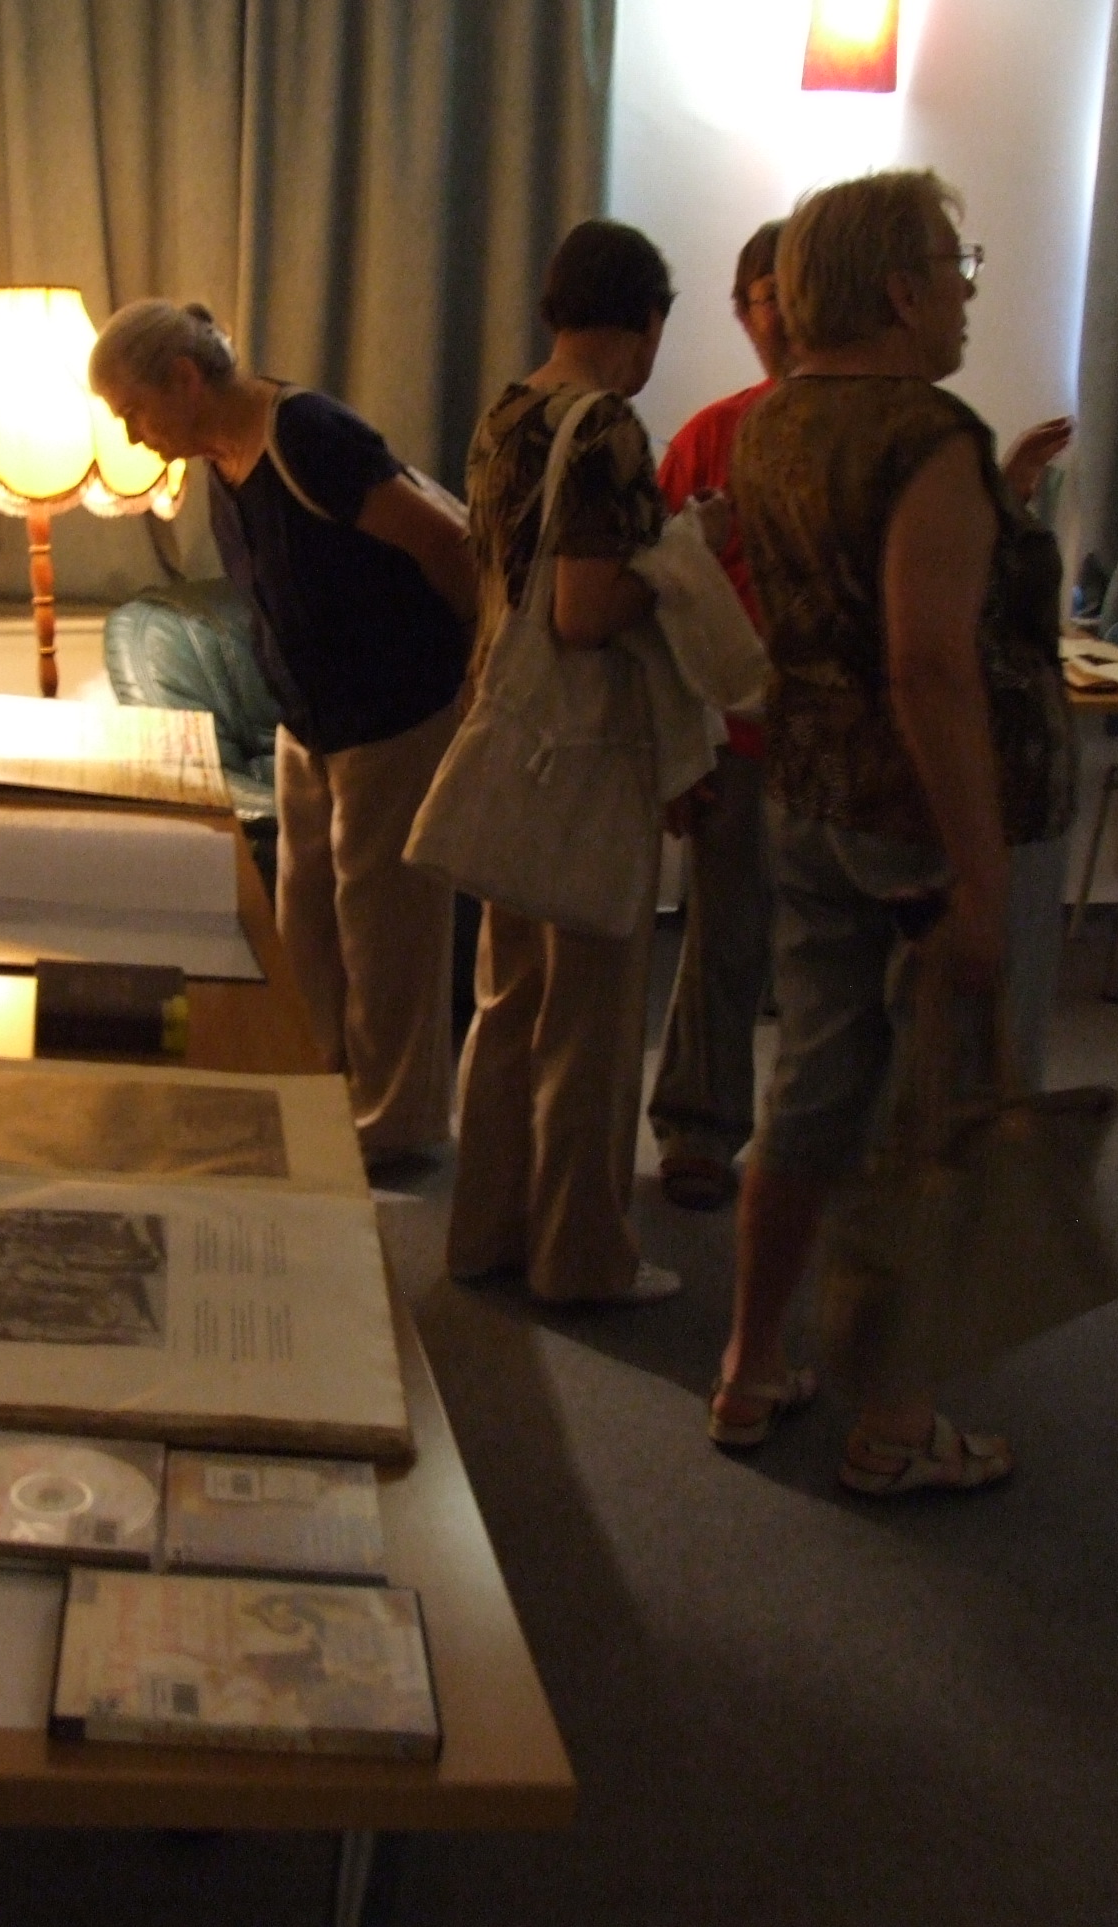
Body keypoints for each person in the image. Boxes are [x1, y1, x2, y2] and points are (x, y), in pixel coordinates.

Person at [708, 170, 1076, 1493]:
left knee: (810, 1089)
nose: (968, 292)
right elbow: (927, 665)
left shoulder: (774, 422)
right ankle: (898, 1421)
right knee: (940, 1116)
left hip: (813, 795)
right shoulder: (927, 434)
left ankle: (751, 1366)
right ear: (903, 288)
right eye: (955, 266)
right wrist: (979, 877)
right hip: (927, 820)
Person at [89, 302, 477, 1170]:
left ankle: (392, 1125)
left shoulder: (308, 434)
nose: (131, 433)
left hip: (392, 713)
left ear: (184, 379)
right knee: (307, 926)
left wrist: (471, 662)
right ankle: (318, 1091)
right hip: (309, 720)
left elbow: (448, 543)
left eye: (133, 410)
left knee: (387, 932)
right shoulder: (220, 458)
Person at [446, 218, 687, 1306]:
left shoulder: (504, 416)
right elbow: (586, 613)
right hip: (585, 748)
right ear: (646, 319)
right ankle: (581, 1257)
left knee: (508, 1001)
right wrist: (677, 567)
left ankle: (487, 1230)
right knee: (590, 1022)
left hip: (506, 727)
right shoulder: (607, 429)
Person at [647, 217, 788, 1214]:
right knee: (725, 937)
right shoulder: (710, 436)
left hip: (852, 740)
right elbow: (656, 600)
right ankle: (699, 1127)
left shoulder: (890, 432)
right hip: (738, 735)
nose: (785, 315)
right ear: (742, 312)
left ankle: (833, 1145)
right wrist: (675, 752)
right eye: (767, 296)